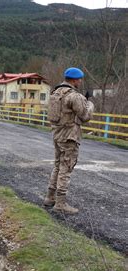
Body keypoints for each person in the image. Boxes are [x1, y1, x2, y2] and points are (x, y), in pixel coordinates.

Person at [43, 67, 94, 214]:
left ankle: (50, 197)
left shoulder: (55, 93)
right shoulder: (73, 96)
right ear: (74, 79)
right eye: (79, 79)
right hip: (70, 137)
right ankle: (60, 203)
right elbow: (85, 116)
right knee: (66, 168)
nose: (80, 81)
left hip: (57, 134)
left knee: (58, 165)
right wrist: (90, 105)